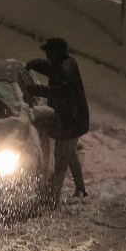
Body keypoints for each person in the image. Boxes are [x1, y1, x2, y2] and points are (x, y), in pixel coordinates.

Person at [26, 37, 89, 204]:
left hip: (71, 121)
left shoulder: (66, 68)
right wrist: (36, 64)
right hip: (71, 119)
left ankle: (51, 200)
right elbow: (52, 69)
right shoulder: (65, 63)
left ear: (56, 53)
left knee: (61, 161)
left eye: (48, 52)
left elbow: (60, 90)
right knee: (70, 154)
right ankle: (81, 189)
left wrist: (37, 89)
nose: (46, 55)